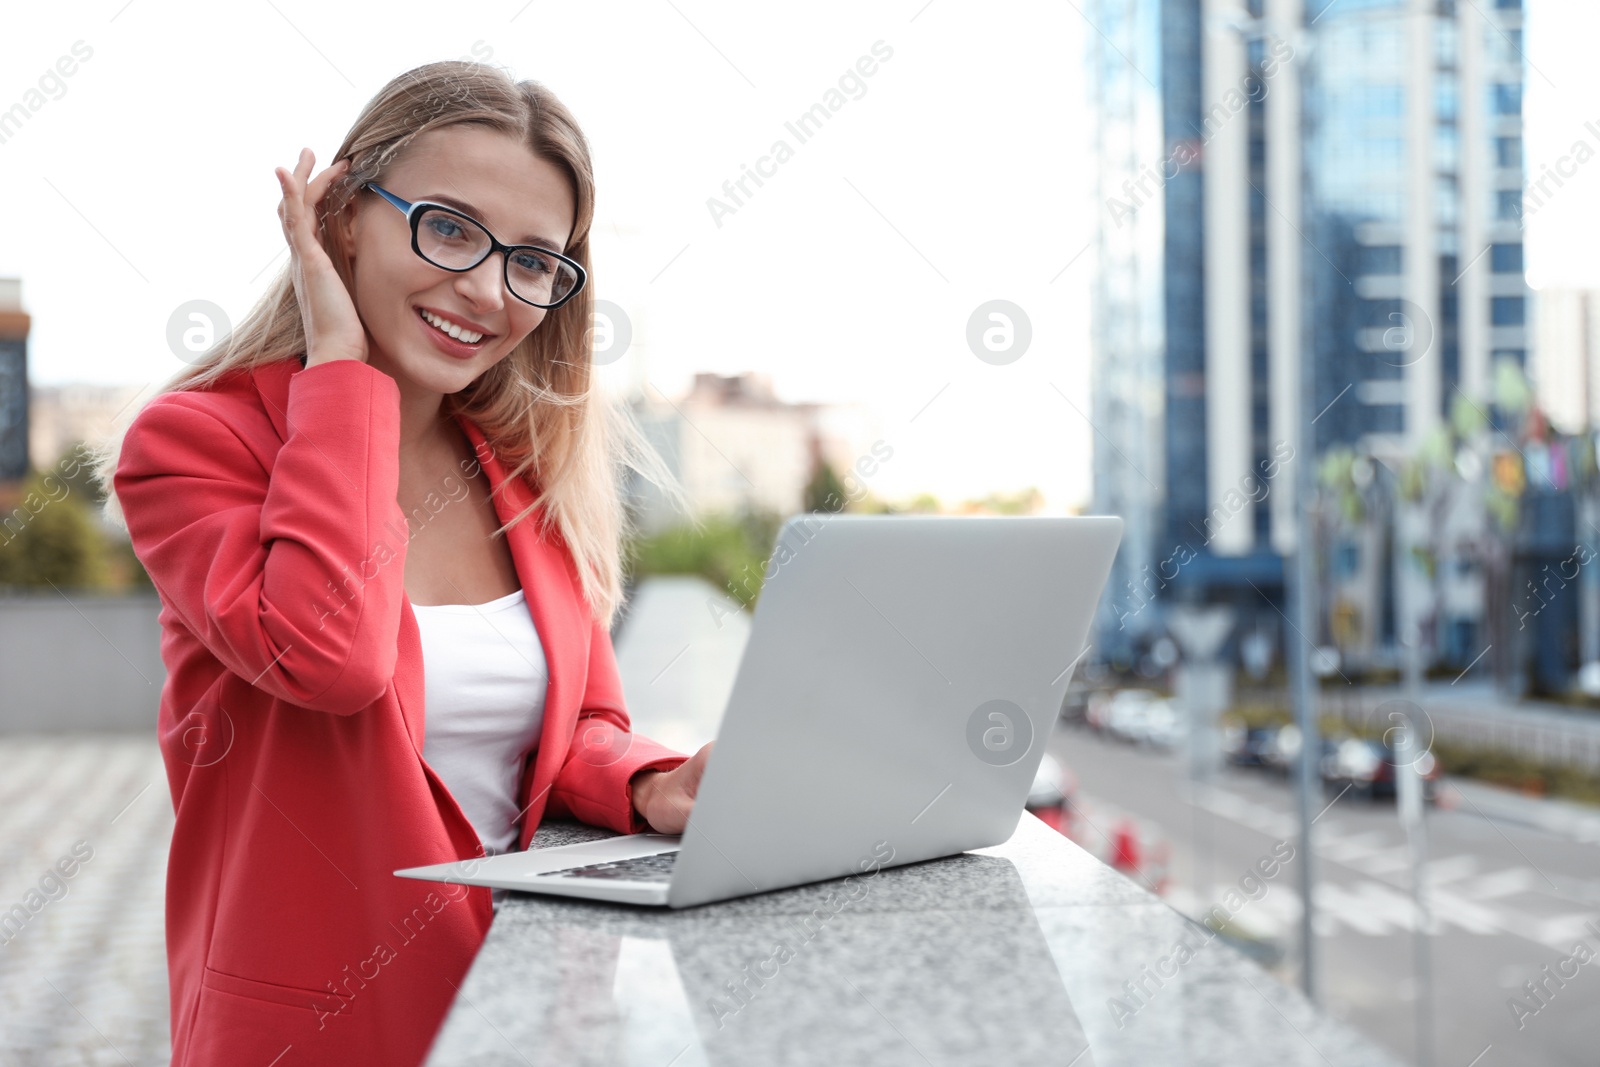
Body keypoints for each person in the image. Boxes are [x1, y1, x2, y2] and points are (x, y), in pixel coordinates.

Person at [91, 60, 713, 1066]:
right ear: (339, 214)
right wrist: (338, 368)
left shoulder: (519, 468)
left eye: (530, 261)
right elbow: (329, 656)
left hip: (528, 1006)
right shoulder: (195, 444)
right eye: (450, 226)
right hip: (323, 1026)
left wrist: (651, 782)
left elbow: (579, 725)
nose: (484, 289)